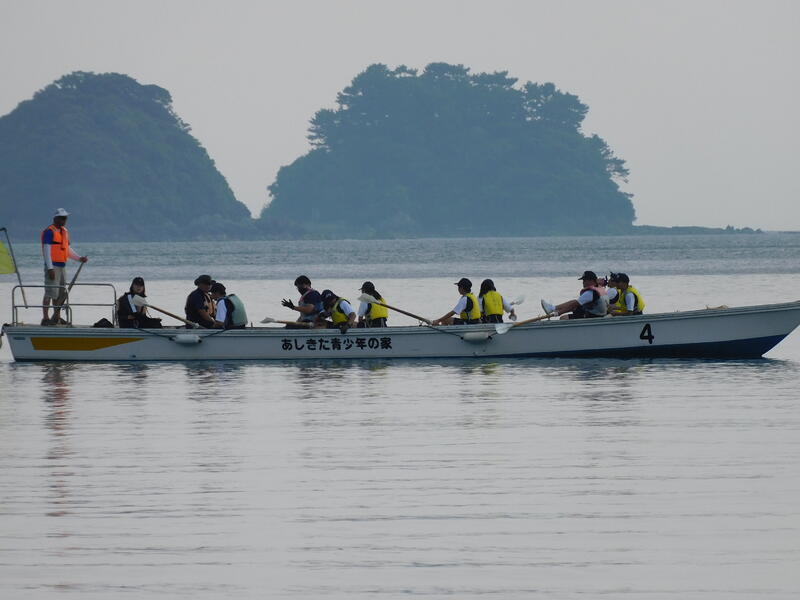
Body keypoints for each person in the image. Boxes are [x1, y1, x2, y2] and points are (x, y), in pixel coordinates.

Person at [41, 208, 88, 325]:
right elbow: (46, 251)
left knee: (60, 293)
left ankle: (56, 317)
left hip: (62, 266)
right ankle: (45, 318)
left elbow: (67, 249)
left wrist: (79, 258)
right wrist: (50, 268)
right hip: (53, 266)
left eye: (65, 218)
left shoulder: (64, 232)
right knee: (50, 292)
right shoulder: (49, 232)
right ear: (56, 218)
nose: (64, 220)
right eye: (62, 218)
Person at [540, 270, 610, 319]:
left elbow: (573, 305)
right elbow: (574, 305)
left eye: (584, 280)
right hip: (599, 313)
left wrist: (558, 313)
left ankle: (552, 309)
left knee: (563, 318)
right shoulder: (599, 288)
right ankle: (552, 308)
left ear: (591, 280)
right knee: (575, 305)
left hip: (594, 316)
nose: (583, 282)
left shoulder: (590, 293)